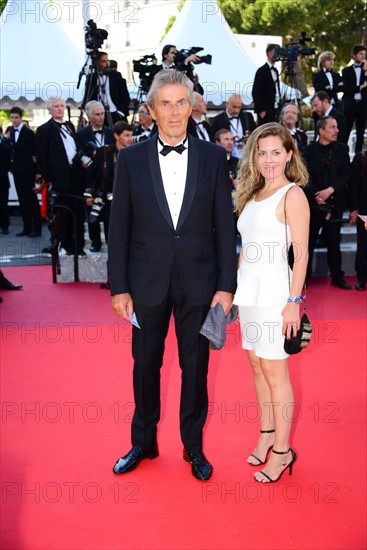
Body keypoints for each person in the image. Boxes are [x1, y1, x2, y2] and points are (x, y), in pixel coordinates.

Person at [108, 69, 237, 481]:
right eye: (166, 104)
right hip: (145, 282)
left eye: (182, 102)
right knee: (144, 365)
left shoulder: (214, 157)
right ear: (151, 111)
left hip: (200, 282)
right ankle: (143, 443)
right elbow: (119, 228)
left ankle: (193, 447)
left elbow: (223, 226)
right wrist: (119, 287)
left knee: (195, 367)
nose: (175, 111)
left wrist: (225, 286)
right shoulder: (129, 159)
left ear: (192, 105)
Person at [234, 122, 310, 483]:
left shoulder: (293, 195)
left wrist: (294, 301)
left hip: (276, 295)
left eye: (276, 152)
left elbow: (302, 253)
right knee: (256, 367)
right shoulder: (251, 194)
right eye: (262, 153)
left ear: (289, 154)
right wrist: (232, 294)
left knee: (276, 372)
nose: (268, 160)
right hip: (248, 293)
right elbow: (245, 249)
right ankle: (266, 436)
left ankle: (283, 451)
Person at [302, 116, 351, 289]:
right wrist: (316, 193)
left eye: (336, 127)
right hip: (312, 205)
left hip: (334, 203)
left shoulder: (343, 149)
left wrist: (330, 190)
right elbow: (303, 176)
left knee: (334, 243)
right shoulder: (307, 151)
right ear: (321, 131)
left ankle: (337, 277)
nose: (337, 130)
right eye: (332, 127)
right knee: (307, 244)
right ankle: (303, 280)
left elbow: (346, 174)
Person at [36, 97, 86, 255]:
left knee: (78, 212)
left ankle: (79, 245)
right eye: (56, 106)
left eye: (62, 106)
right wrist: (49, 180)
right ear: (49, 110)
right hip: (60, 179)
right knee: (63, 214)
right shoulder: (44, 130)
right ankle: (65, 245)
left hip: (76, 176)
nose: (59, 109)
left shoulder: (69, 126)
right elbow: (42, 157)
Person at [77, 100, 115, 253]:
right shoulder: (81, 135)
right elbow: (79, 155)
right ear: (89, 116)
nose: (101, 117)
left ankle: (111, 241)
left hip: (109, 180)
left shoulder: (111, 133)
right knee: (91, 213)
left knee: (109, 214)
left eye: (102, 114)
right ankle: (95, 242)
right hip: (90, 180)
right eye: (97, 114)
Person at [9, 107, 42, 237]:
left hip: (28, 171)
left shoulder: (28, 133)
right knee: (22, 200)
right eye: (12, 117)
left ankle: (37, 228)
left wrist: (36, 172)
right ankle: (26, 227)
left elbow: (35, 153)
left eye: (16, 117)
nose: (14, 120)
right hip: (17, 171)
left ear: (21, 118)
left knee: (31, 200)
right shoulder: (12, 131)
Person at [85, 51, 130, 126]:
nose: (107, 64)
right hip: (99, 114)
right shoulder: (92, 77)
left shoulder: (116, 76)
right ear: (97, 63)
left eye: (107, 60)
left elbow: (125, 96)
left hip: (115, 113)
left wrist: (120, 112)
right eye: (103, 61)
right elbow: (88, 97)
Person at [341, 44, 367, 153]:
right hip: (350, 105)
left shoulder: (365, 70)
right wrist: (360, 87)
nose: (363, 56)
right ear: (354, 56)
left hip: (362, 105)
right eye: (360, 54)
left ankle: (358, 158)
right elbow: (346, 88)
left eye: (364, 54)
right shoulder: (346, 71)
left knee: (360, 132)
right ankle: (343, 156)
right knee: (346, 131)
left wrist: (365, 72)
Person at [349, 151, 367, 290]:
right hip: (364, 211)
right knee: (363, 246)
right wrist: (354, 209)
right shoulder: (361, 158)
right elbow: (353, 185)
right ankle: (362, 278)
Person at [252, 44, 281, 125]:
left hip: (274, 109)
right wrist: (261, 110)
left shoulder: (275, 71)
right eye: (275, 52)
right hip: (265, 111)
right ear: (269, 53)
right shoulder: (261, 71)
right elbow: (255, 92)